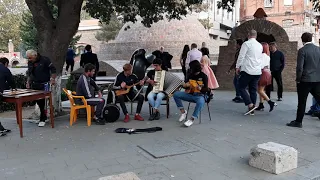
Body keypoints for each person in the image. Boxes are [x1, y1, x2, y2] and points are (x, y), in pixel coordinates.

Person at [287, 32, 320, 128]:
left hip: (305, 80)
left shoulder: (302, 50)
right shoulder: (318, 49)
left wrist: (298, 79)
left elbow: (300, 67)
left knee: (302, 101)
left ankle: (298, 122)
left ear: (302, 40)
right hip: (317, 80)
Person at [26, 50, 56, 127]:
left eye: (30, 58)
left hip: (44, 84)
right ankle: (43, 117)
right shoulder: (30, 62)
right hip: (35, 84)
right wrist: (28, 82)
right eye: (28, 58)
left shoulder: (45, 60)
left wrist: (53, 79)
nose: (29, 59)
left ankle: (43, 118)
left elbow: (53, 69)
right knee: (38, 101)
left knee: (43, 102)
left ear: (35, 55)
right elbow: (30, 73)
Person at [173, 60, 209, 127]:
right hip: (190, 94)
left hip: (200, 95)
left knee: (200, 102)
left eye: (191, 68)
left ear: (195, 68)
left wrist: (201, 89)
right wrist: (184, 85)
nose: (190, 69)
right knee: (176, 94)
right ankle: (183, 112)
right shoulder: (190, 75)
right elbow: (186, 87)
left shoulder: (204, 76)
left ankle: (192, 119)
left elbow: (207, 89)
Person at [236, 30, 263, 115]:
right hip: (257, 71)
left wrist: (237, 66)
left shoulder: (246, 44)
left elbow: (241, 56)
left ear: (248, 35)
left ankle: (250, 105)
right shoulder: (260, 45)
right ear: (256, 36)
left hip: (247, 70)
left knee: (241, 87)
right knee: (253, 90)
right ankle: (252, 111)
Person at [256, 43, 277, 112]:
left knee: (260, 90)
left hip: (263, 73)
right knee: (261, 89)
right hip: (267, 73)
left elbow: (260, 66)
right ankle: (261, 104)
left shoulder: (262, 56)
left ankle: (270, 102)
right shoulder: (268, 56)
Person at [0, 57, 15, 136]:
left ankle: (1, 129)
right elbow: (11, 81)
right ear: (6, 63)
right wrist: (14, 88)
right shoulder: (5, 69)